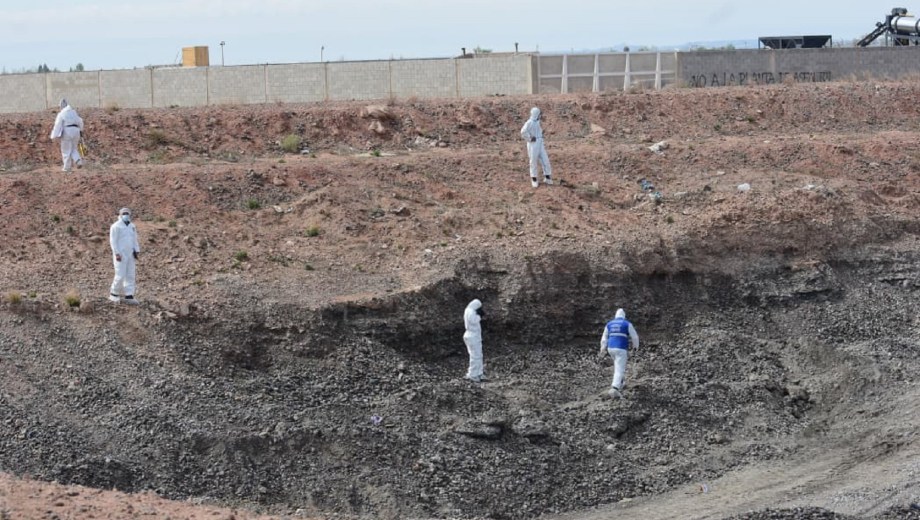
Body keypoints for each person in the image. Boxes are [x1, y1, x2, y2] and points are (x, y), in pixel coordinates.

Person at [598, 308, 639, 399]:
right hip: (621, 348)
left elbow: (604, 337)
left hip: (610, 348)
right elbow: (634, 337)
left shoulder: (609, 324)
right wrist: (635, 347)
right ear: (623, 316)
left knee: (617, 365)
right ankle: (615, 388)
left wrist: (602, 348)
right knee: (620, 368)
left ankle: (621, 383)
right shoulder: (627, 324)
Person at [109, 207, 141, 305]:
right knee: (120, 274)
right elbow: (113, 241)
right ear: (120, 214)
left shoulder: (132, 226)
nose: (126, 215)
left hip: (130, 254)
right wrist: (117, 253)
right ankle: (114, 293)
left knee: (130, 274)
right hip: (120, 254)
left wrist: (137, 250)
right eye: (124, 213)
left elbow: (134, 239)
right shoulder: (116, 226)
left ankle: (129, 295)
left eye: (127, 213)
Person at [520, 106, 553, 188]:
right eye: (539, 114)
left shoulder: (537, 121)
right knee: (533, 161)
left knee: (545, 159)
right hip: (533, 144)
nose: (540, 115)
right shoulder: (529, 122)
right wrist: (530, 138)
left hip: (540, 143)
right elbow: (523, 131)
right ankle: (534, 178)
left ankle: (547, 176)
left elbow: (542, 122)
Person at [49, 98, 84, 172]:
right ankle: (78, 161)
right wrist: (81, 130)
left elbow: (57, 125)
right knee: (73, 148)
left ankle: (67, 168)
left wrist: (53, 136)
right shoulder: (74, 112)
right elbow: (80, 121)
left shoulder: (61, 114)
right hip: (76, 130)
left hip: (67, 131)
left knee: (66, 150)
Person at [463, 299, 487, 383]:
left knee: (479, 355)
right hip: (472, 336)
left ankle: (479, 373)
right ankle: (472, 374)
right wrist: (479, 316)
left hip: (475, 336)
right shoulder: (470, 312)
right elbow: (473, 321)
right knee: (475, 356)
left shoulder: (470, 310)